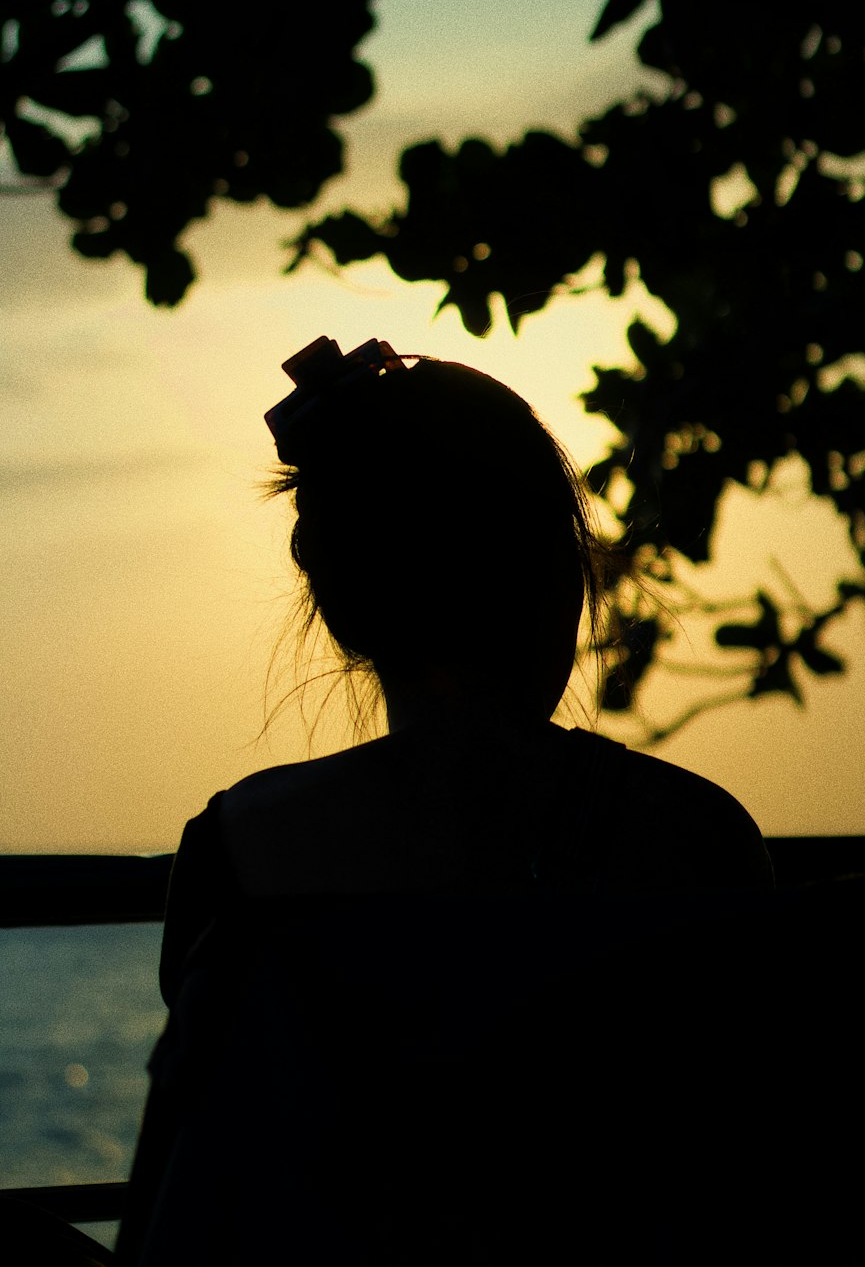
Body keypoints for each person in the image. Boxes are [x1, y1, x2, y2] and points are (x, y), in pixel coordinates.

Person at [117, 335, 774, 1264]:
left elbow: (216, 1184)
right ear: (556, 581)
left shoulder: (239, 850)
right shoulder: (698, 836)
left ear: (343, 601)